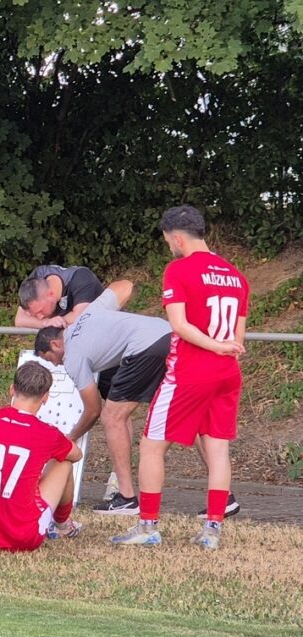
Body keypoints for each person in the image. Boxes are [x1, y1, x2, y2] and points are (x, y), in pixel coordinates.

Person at [112, 205, 249, 550]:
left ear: (176, 238)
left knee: (152, 445)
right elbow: (238, 337)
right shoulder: (236, 275)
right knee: (218, 448)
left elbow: (180, 325)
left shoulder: (179, 269)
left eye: (166, 240)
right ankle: (212, 530)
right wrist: (224, 348)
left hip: (191, 372)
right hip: (227, 373)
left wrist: (213, 346)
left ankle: (148, 526)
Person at [34, 280, 167, 515]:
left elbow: (93, 410)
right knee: (188, 410)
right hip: (169, 332)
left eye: (49, 358)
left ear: (55, 344)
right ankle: (224, 497)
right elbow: (125, 285)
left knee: (112, 417)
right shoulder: (88, 313)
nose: (54, 364)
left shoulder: (72, 357)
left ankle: (126, 497)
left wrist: (70, 437)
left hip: (144, 348)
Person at [0, 362, 83, 551]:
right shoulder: (47, 433)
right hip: (22, 537)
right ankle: (62, 524)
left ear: (12, 389)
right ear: (45, 397)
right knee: (64, 463)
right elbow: (76, 455)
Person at [14, 265, 105, 329]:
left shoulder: (82, 279)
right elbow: (19, 320)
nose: (40, 317)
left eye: (40, 312)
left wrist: (55, 322)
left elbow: (79, 318)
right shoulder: (37, 277)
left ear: (50, 294)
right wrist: (46, 323)